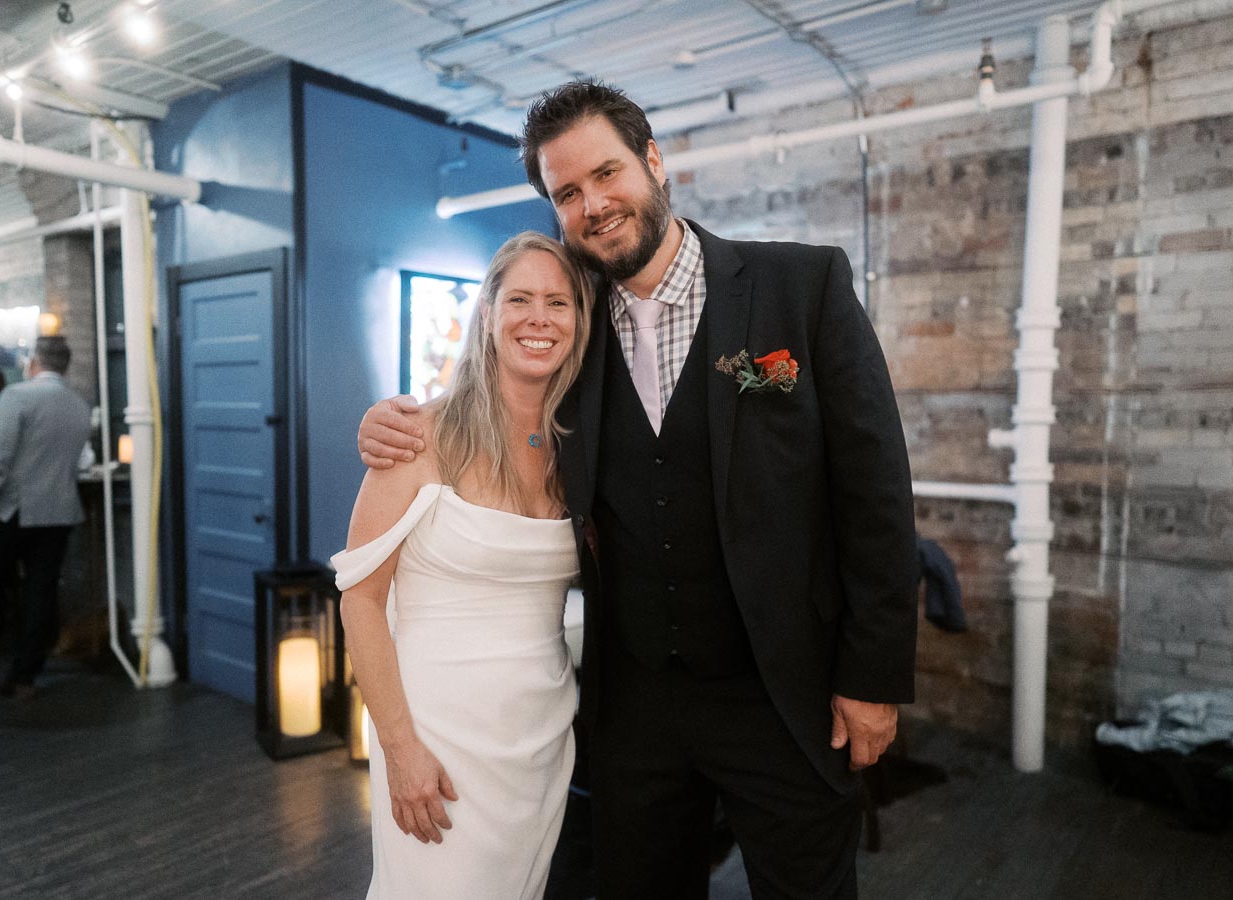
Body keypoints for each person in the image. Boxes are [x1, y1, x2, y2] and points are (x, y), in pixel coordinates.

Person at [358, 81, 918, 899]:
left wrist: (873, 676)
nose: (594, 205)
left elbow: (876, 492)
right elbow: (493, 401)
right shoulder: (571, 321)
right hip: (635, 709)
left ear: (654, 163)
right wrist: (387, 420)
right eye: (568, 193)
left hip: (783, 693)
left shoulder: (801, 286)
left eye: (607, 174)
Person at [332, 232, 593, 899]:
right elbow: (360, 600)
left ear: (579, 322)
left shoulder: (581, 453)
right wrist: (399, 749)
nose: (539, 318)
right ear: (489, 315)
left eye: (558, 303)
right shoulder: (418, 436)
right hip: (438, 739)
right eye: (521, 299)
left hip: (538, 738)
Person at [0, 336, 92, 700]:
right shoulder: (79, 405)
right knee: (42, 593)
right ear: (64, 366)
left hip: (11, 510)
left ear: (33, 362)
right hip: (59, 510)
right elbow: (79, 460)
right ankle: (25, 677)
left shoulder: (17, 396)